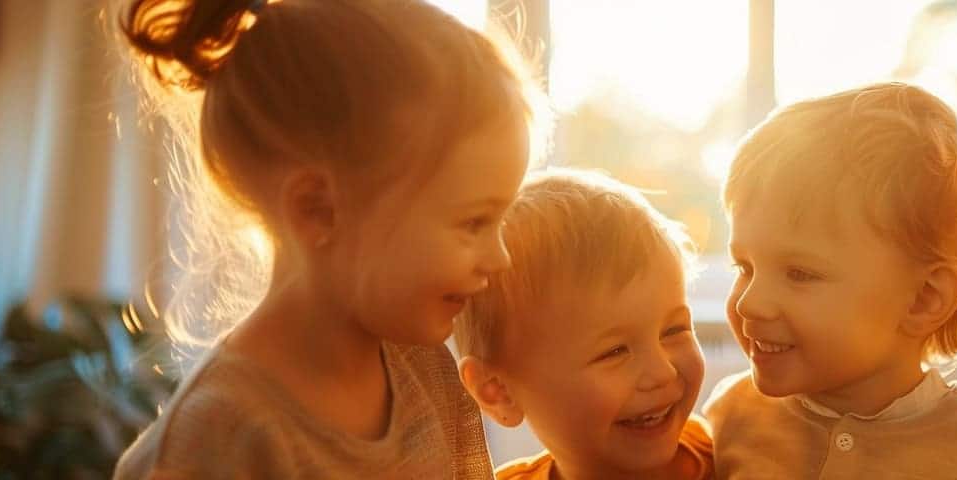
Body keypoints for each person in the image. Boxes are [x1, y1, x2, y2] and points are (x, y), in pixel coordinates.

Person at [114, 0, 541, 477]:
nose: (500, 257)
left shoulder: (428, 372)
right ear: (318, 210)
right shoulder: (216, 440)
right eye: (474, 223)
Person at [705, 83, 957, 479]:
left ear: (924, 298)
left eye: (799, 273)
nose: (749, 303)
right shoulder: (731, 416)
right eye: (744, 268)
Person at [454, 170, 714, 480]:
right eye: (615, 351)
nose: (663, 372)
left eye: (674, 330)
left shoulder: (751, 458)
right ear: (498, 391)